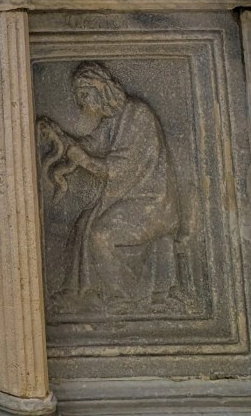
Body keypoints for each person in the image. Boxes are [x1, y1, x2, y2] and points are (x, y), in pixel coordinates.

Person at [38, 60, 180, 308]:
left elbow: (113, 169)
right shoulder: (113, 119)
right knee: (83, 223)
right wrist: (61, 137)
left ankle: (123, 298)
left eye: (83, 94)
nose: (80, 101)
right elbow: (91, 144)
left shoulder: (138, 115)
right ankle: (84, 292)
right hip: (125, 200)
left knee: (101, 235)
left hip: (151, 203)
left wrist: (80, 158)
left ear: (100, 89)